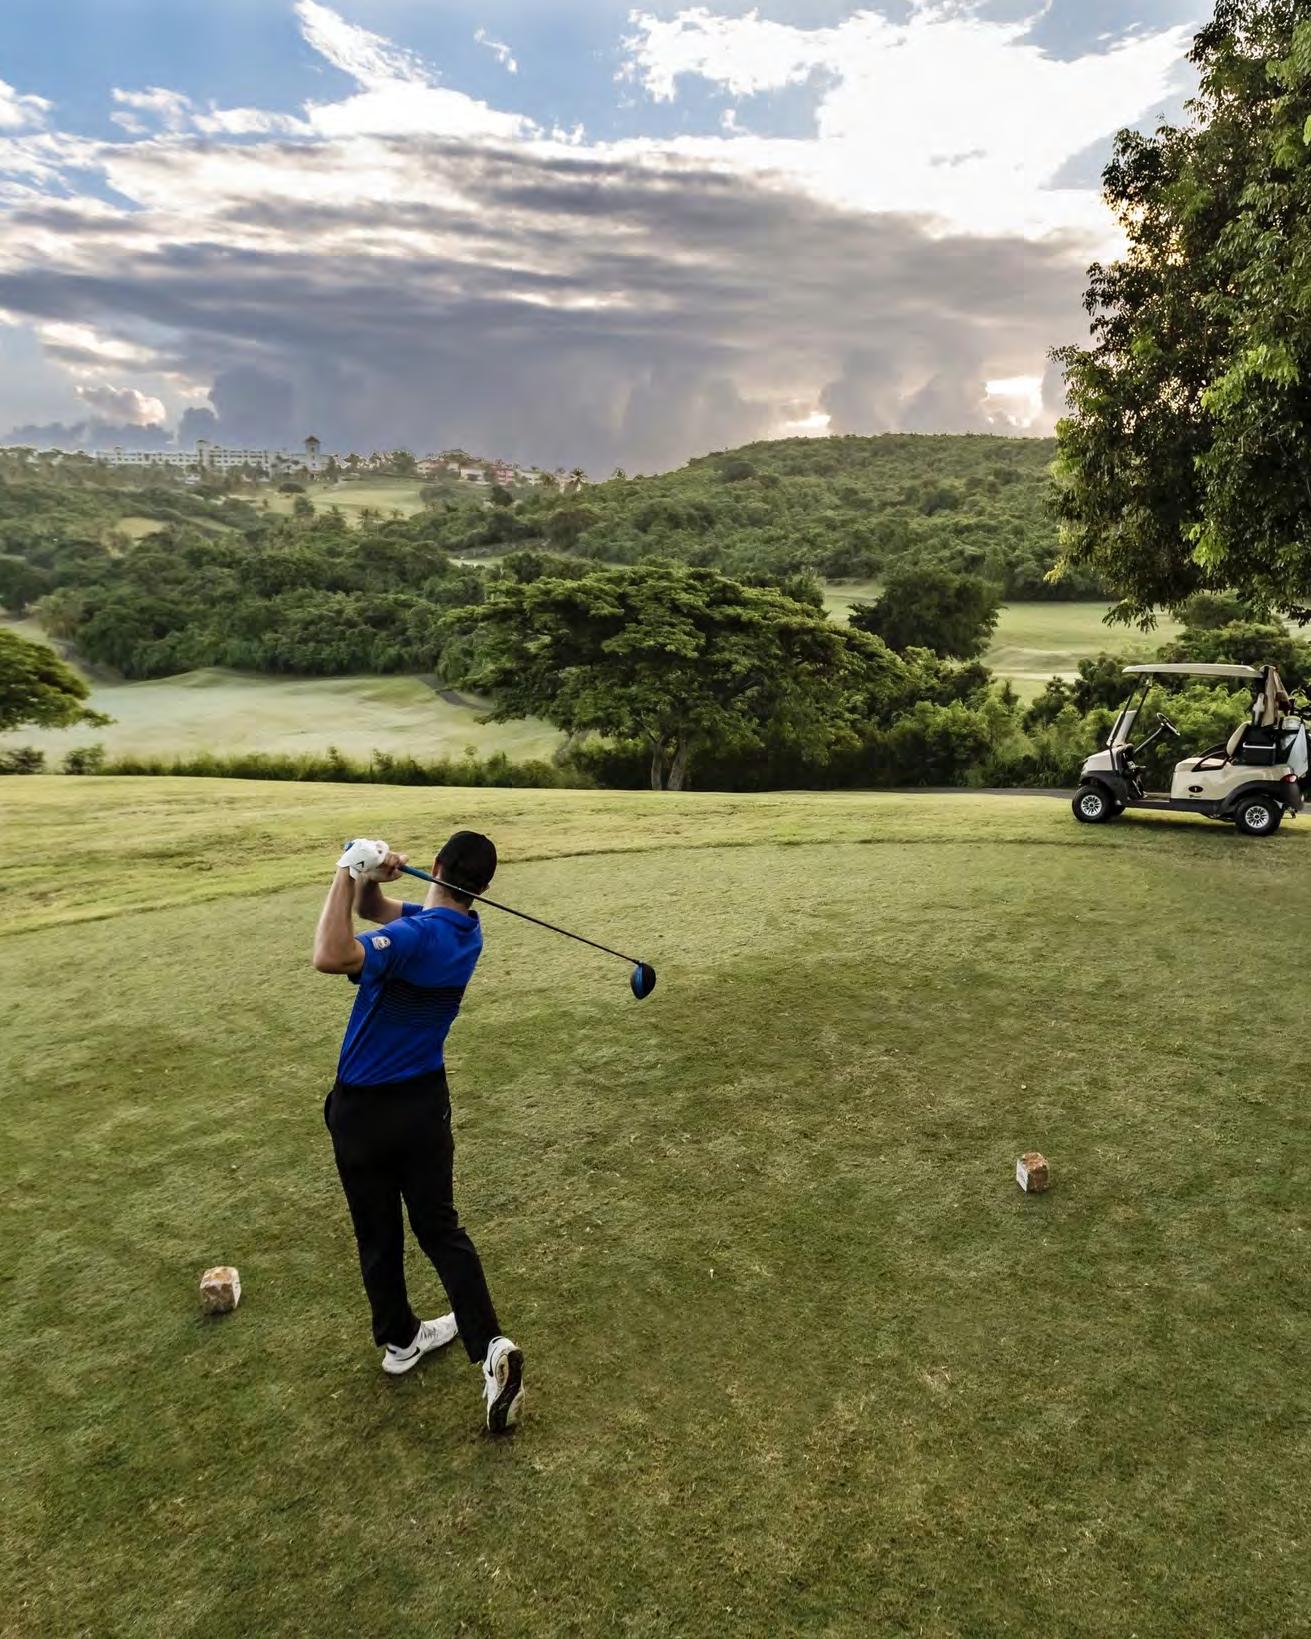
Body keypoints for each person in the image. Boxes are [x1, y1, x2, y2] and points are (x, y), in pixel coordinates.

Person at [313, 830, 524, 1434]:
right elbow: (375, 912)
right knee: (439, 1229)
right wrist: (371, 878)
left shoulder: (417, 936)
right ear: (481, 887)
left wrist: (344, 868)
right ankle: (477, 1344)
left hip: (364, 1110)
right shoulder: (464, 931)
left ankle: (400, 1338)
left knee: (376, 1230)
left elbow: (330, 954)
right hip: (425, 1105)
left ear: (437, 865)